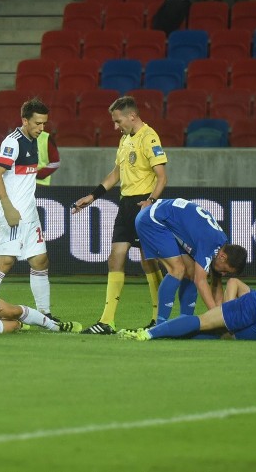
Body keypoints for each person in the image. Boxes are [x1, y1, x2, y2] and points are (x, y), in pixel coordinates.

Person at [71, 96, 167, 335]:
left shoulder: (150, 137)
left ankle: (159, 319)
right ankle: (107, 321)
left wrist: (151, 202)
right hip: (126, 205)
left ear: (131, 115)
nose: (115, 126)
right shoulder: (125, 139)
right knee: (116, 257)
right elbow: (116, 173)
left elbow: (162, 176)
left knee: (148, 261)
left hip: (144, 204)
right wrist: (92, 196)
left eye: (117, 121)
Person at [0, 98, 61, 321]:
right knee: (5, 261)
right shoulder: (13, 142)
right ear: (24, 121)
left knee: (40, 260)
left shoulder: (37, 139)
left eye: (44, 123)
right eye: (37, 123)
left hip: (30, 213)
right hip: (14, 212)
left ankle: (45, 314)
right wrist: (8, 208)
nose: (41, 128)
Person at [134, 197, 249, 325]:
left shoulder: (221, 244)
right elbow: (200, 281)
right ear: (223, 257)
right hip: (152, 220)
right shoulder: (210, 242)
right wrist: (218, 319)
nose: (223, 274)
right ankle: (160, 324)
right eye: (225, 270)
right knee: (177, 270)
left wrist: (220, 312)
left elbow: (215, 284)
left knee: (191, 271)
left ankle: (184, 322)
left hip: (162, 219)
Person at [118, 278, 256, 341]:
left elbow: (233, 281)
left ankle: (150, 334)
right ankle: (166, 334)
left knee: (204, 322)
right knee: (222, 335)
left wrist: (228, 308)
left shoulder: (254, 296)